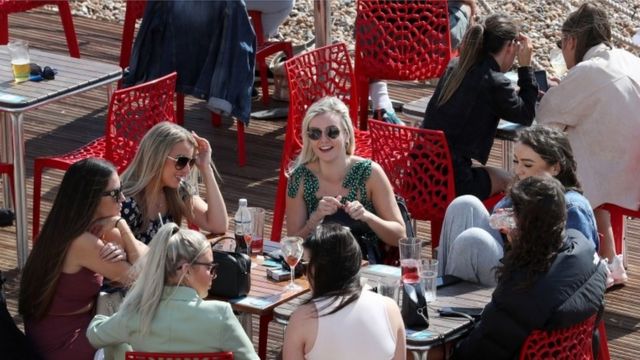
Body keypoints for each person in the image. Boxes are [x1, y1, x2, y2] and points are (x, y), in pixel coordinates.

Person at [537, 2, 640, 285]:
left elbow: (545, 118)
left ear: (572, 40)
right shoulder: (627, 58)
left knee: (566, 153)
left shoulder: (589, 70)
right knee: (586, 142)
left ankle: (580, 260)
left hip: (623, 177)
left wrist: (558, 91)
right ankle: (610, 258)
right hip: (631, 166)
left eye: (561, 43)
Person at [452, 176, 608, 359]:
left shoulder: (521, 289)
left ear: (524, 226)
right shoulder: (585, 248)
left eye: (512, 215)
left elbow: (475, 353)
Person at [19, 158, 147, 360]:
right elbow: (141, 277)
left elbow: (147, 256)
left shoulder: (81, 226)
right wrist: (122, 226)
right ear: (91, 198)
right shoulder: (80, 241)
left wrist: (123, 241)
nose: (123, 198)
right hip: (64, 340)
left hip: (73, 325)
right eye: (115, 193)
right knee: (145, 341)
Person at [438, 126, 599, 286]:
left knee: (473, 240)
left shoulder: (572, 206)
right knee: (465, 204)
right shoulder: (523, 189)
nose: (518, 170)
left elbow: (578, 265)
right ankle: (442, 287)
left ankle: (447, 301)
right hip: (512, 264)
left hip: (536, 284)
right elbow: (498, 221)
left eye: (527, 165)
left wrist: (522, 237)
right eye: (516, 161)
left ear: (555, 168)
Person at [86, 223, 258, 360]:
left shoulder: (136, 315)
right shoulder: (221, 316)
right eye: (210, 267)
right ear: (186, 270)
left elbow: (94, 335)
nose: (214, 275)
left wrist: (106, 319)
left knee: (114, 345)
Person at [421, 13, 537, 200]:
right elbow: (526, 115)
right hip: (454, 183)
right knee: (515, 180)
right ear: (509, 47)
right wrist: (526, 68)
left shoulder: (455, 67)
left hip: (422, 175)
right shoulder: (495, 82)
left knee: (491, 173)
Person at [286, 96, 406, 263]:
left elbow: (400, 237)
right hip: (319, 267)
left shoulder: (370, 173)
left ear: (347, 134)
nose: (323, 140)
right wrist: (314, 220)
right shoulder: (299, 178)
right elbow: (292, 248)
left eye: (332, 132)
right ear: (309, 139)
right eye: (315, 133)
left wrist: (367, 216)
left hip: (364, 268)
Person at [283, 224, 405, 360]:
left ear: (318, 268)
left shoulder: (303, 318)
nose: (304, 273)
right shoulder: (390, 309)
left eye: (305, 264)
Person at [120, 121, 228, 244]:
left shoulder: (177, 191)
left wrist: (206, 168)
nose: (187, 170)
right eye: (181, 161)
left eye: (191, 162)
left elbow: (218, 225)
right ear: (157, 157)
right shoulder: (126, 203)